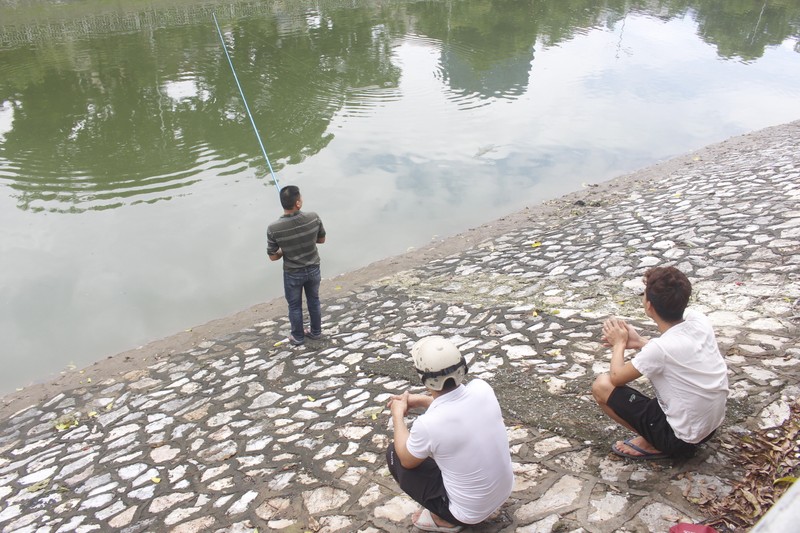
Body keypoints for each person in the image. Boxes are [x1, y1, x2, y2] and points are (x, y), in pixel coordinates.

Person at [592, 266, 729, 459]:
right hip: (709, 427)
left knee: (601, 385)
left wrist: (619, 343)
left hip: (681, 439)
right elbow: (675, 350)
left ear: (649, 306)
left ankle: (653, 443)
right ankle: (656, 433)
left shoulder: (659, 349)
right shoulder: (698, 320)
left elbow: (616, 378)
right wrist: (639, 342)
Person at [386, 336, 514, 532]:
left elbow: (406, 461)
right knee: (441, 446)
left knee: (395, 452)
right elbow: (457, 408)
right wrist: (419, 400)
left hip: (468, 514)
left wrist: (397, 415)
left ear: (423, 377)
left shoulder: (428, 425)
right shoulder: (482, 389)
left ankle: (442, 518)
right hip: (502, 492)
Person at [267, 185, 326, 346]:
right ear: (298, 203)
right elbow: (321, 240)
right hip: (313, 268)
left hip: (293, 273)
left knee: (294, 306)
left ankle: (298, 337)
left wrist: (283, 250)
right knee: (314, 300)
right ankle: (316, 332)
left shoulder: (273, 228)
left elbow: (273, 256)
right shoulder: (313, 217)